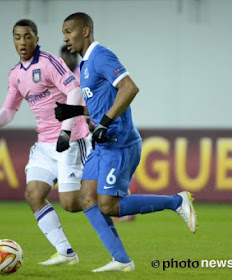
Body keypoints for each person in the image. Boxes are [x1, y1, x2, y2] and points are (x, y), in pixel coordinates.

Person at [55, 12, 197, 272]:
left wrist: (107, 122)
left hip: (119, 143)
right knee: (87, 198)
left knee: (109, 205)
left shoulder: (101, 56)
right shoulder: (86, 64)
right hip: (104, 144)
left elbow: (130, 88)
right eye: (63, 33)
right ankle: (121, 260)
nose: (65, 38)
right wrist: (75, 112)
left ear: (85, 31)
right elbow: (101, 106)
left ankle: (177, 202)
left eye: (68, 31)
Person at [0, 19, 91, 266]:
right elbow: (9, 110)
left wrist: (65, 132)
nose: (22, 42)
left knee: (71, 204)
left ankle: (109, 199)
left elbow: (75, 92)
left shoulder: (50, 63)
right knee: (33, 194)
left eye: (27, 36)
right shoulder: (15, 75)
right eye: (17, 37)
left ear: (36, 39)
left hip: (70, 139)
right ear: (13, 41)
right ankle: (66, 253)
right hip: (44, 146)